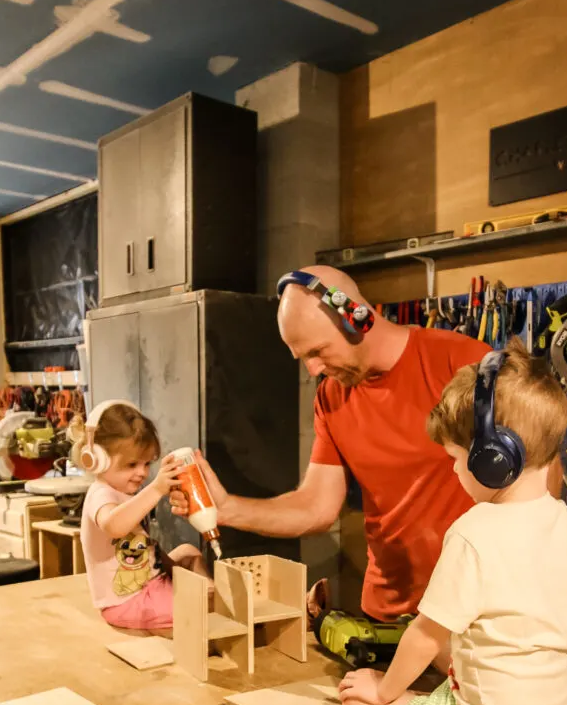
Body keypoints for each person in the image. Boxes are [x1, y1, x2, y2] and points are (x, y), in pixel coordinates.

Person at [171, 265, 543, 621]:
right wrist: (225, 509)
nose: (312, 370)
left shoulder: (462, 363)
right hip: (388, 613)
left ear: (357, 317)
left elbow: (540, 475)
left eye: (317, 351)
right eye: (302, 357)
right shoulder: (332, 398)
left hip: (472, 613)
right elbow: (316, 506)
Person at [338, 341, 567, 705]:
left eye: (457, 460)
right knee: (468, 641)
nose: (454, 471)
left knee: (356, 704)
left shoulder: (472, 534)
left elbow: (426, 636)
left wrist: (383, 691)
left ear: (493, 461)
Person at [76, 402, 207, 630]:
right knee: (195, 606)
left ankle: (209, 604)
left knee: (190, 553)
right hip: (126, 600)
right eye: (131, 464)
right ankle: (206, 619)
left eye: (147, 463)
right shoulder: (101, 494)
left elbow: (146, 545)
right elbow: (112, 525)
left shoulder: (128, 492)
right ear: (97, 459)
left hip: (149, 584)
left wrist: (171, 567)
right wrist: (156, 489)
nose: (143, 472)